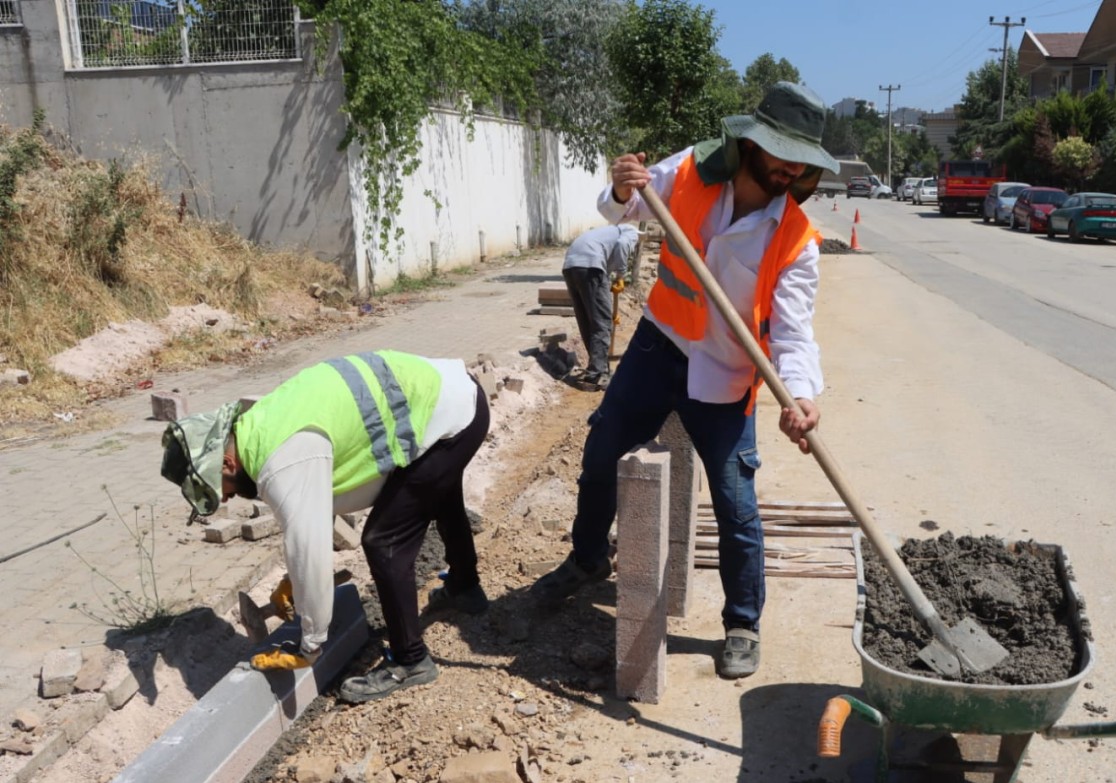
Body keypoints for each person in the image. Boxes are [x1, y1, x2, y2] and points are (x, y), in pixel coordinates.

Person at [532, 82, 838, 679]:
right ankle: (589, 558)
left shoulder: (797, 240)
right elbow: (628, 205)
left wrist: (801, 395)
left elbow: (794, 334)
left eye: (799, 159)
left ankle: (743, 623)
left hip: (725, 378)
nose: (790, 168)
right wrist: (622, 187)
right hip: (658, 346)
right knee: (599, 456)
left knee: (735, 504)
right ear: (750, 142)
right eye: (780, 152)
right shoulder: (694, 170)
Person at [159, 350, 490, 703]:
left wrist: (310, 643)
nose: (224, 502)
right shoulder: (262, 426)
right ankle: (464, 588)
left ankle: (411, 661)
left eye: (215, 490)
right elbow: (316, 494)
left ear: (227, 462)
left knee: (383, 541)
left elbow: (311, 550)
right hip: (453, 396)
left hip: (452, 420)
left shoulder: (280, 462)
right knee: (437, 491)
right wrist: (294, 581)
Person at [562, 223, 639, 390]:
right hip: (590, 266)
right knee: (602, 322)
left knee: (587, 320)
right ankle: (597, 373)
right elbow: (623, 245)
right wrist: (621, 274)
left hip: (570, 266)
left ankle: (597, 367)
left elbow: (608, 256)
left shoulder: (604, 234)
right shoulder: (630, 232)